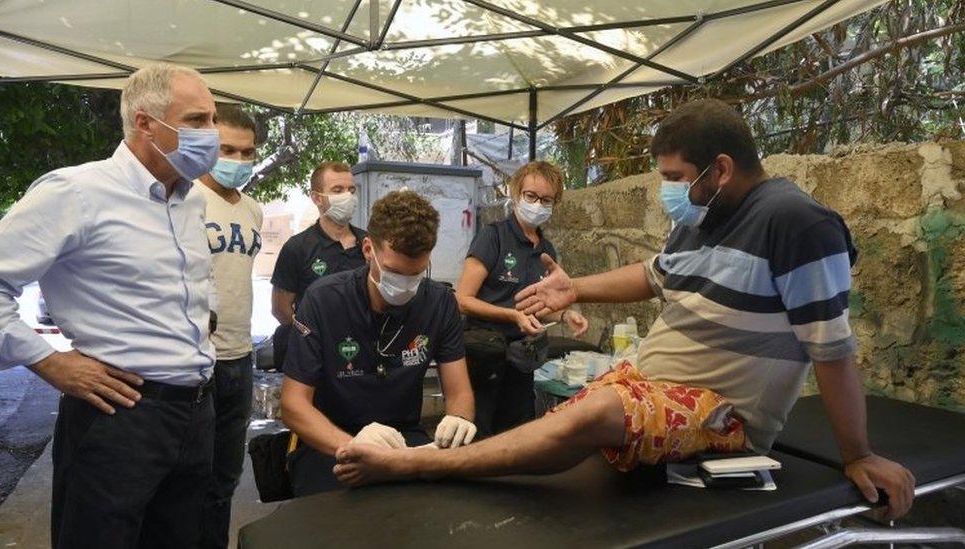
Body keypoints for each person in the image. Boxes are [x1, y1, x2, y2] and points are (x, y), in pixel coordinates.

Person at [330, 99, 917, 521]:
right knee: (567, 412)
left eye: (673, 177)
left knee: (597, 410)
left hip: (723, 415)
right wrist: (574, 289)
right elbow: (652, 275)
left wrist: (858, 455)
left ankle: (417, 465)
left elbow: (832, 349)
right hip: (654, 386)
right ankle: (434, 455)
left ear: (720, 169)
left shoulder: (798, 223)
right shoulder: (702, 218)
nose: (666, 191)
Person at [0, 64, 219, 547]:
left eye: (213, 120)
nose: (212, 134)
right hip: (120, 414)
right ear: (145, 122)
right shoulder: (76, 191)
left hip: (195, 413)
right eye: (197, 120)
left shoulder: (191, 201)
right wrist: (47, 360)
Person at [279, 191, 476, 496]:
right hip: (331, 440)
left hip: (403, 439)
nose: (406, 286)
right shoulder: (323, 299)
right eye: (395, 272)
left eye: (416, 274)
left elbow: (459, 391)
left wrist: (459, 421)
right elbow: (293, 406)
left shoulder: (439, 304)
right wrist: (351, 445)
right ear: (368, 249)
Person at [456, 161, 587, 436]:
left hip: (523, 355)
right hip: (484, 352)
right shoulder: (493, 237)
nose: (537, 204)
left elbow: (540, 305)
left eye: (546, 199)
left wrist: (564, 314)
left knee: (518, 432)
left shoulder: (546, 250)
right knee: (478, 433)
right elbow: (463, 299)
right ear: (516, 194)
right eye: (530, 196)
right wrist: (512, 315)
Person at [193, 104, 263, 549]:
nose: (238, 161)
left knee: (224, 478)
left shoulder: (253, 210)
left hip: (240, 356)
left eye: (247, 152)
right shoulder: (186, 198)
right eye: (227, 150)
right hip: (197, 360)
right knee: (188, 477)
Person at [270, 161, 366, 370]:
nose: (347, 197)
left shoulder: (369, 244)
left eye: (351, 190)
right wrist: (309, 337)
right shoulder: (298, 247)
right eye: (337, 190)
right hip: (315, 358)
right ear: (316, 198)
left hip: (361, 353)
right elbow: (280, 309)